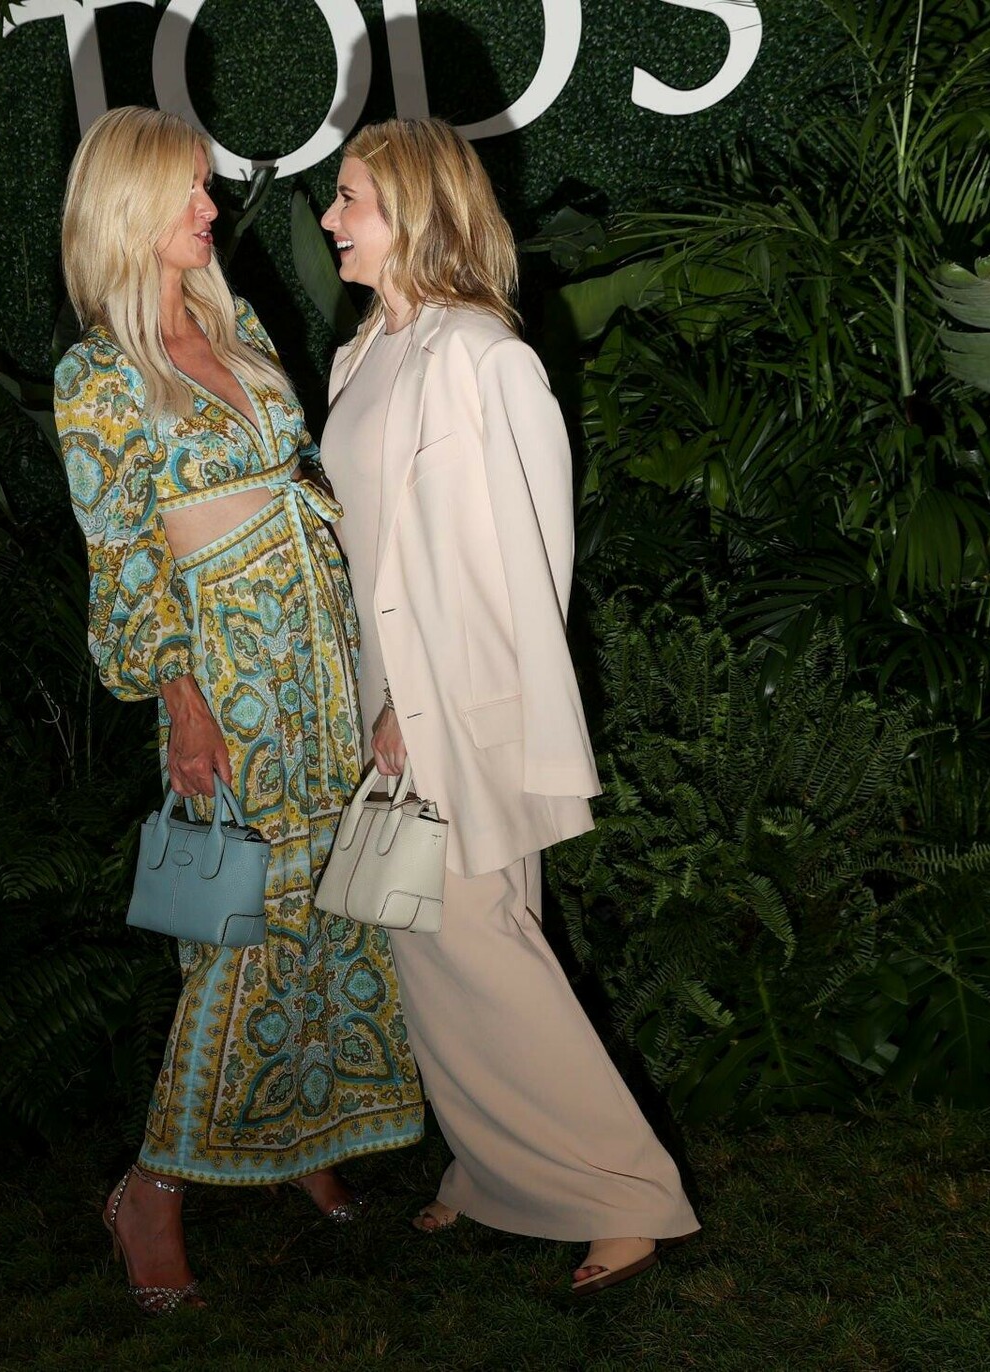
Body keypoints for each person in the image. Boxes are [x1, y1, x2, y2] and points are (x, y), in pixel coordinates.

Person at [317, 117, 700, 1295]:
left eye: (352, 199)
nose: (331, 219)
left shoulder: (488, 357)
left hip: (456, 708)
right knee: (433, 954)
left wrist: (418, 704)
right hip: (388, 705)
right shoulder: (362, 353)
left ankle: (627, 1192)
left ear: (416, 212)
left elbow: (528, 566)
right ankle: (493, 1172)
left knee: (486, 947)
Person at [54, 107, 424, 1314]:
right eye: (187, 195)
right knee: (241, 928)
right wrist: (182, 700)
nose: (209, 210)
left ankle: (294, 1137)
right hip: (228, 675)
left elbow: (304, 476)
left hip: (318, 651)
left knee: (329, 906)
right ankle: (151, 1190)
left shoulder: (234, 323)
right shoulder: (98, 377)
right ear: (127, 211)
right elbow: (123, 558)